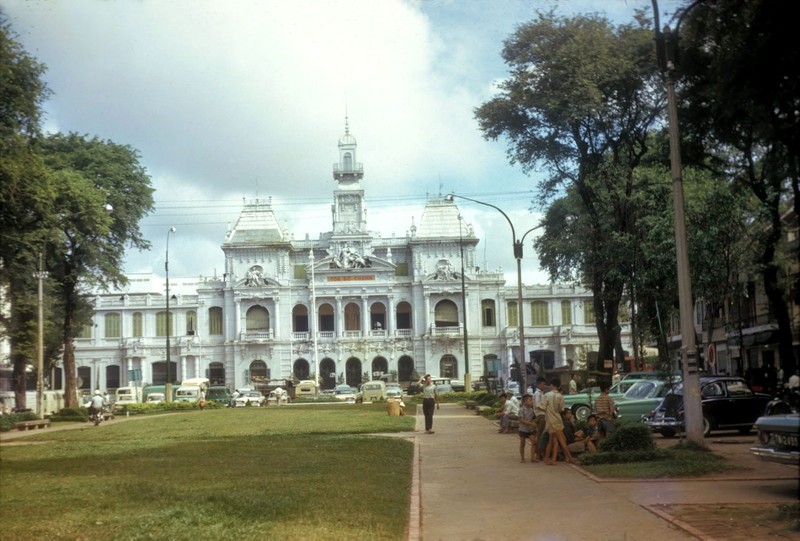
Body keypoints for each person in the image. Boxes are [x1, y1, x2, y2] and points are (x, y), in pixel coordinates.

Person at [543, 378, 576, 465]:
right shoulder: (560, 396)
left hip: (550, 421)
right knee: (561, 440)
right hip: (557, 420)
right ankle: (570, 458)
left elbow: (542, 407)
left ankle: (548, 459)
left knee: (553, 441)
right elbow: (561, 409)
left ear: (552, 385)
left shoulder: (546, 395)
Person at [517, 394, 538, 462]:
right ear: (525, 401)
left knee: (534, 442)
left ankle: (532, 457)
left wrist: (534, 422)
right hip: (523, 429)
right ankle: (522, 458)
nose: (532, 401)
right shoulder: (522, 409)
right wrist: (530, 423)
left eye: (532, 400)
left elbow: (532, 418)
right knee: (523, 443)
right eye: (530, 400)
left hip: (530, 429)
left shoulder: (531, 410)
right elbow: (521, 420)